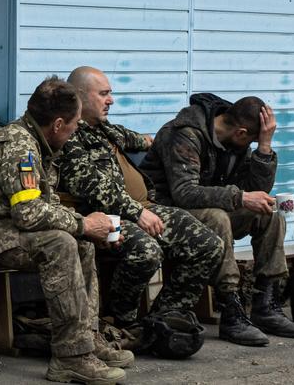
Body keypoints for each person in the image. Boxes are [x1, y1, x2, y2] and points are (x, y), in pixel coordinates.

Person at [0, 77, 131, 385]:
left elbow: (42, 206)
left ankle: (86, 340)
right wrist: (83, 223)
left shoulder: (37, 142)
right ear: (58, 123)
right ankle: (70, 359)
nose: (77, 129)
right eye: (75, 124)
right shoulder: (19, 148)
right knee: (61, 244)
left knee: (81, 243)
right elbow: (29, 214)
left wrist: (89, 228)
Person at [57, 67, 223, 350]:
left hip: (144, 208)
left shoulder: (107, 130)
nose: (111, 100)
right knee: (146, 252)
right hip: (106, 217)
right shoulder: (70, 137)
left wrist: (154, 141)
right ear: (80, 98)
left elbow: (141, 139)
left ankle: (163, 316)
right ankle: (122, 322)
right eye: (104, 94)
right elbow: (92, 187)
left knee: (209, 245)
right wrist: (137, 212)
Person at [138, 93, 294, 346]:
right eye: (252, 140)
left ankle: (266, 305)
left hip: (209, 205)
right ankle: (231, 311)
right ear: (240, 133)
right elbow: (184, 193)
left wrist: (264, 148)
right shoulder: (186, 134)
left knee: (270, 216)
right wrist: (240, 198)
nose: (251, 145)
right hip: (166, 209)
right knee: (218, 218)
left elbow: (253, 187)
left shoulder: (234, 142)